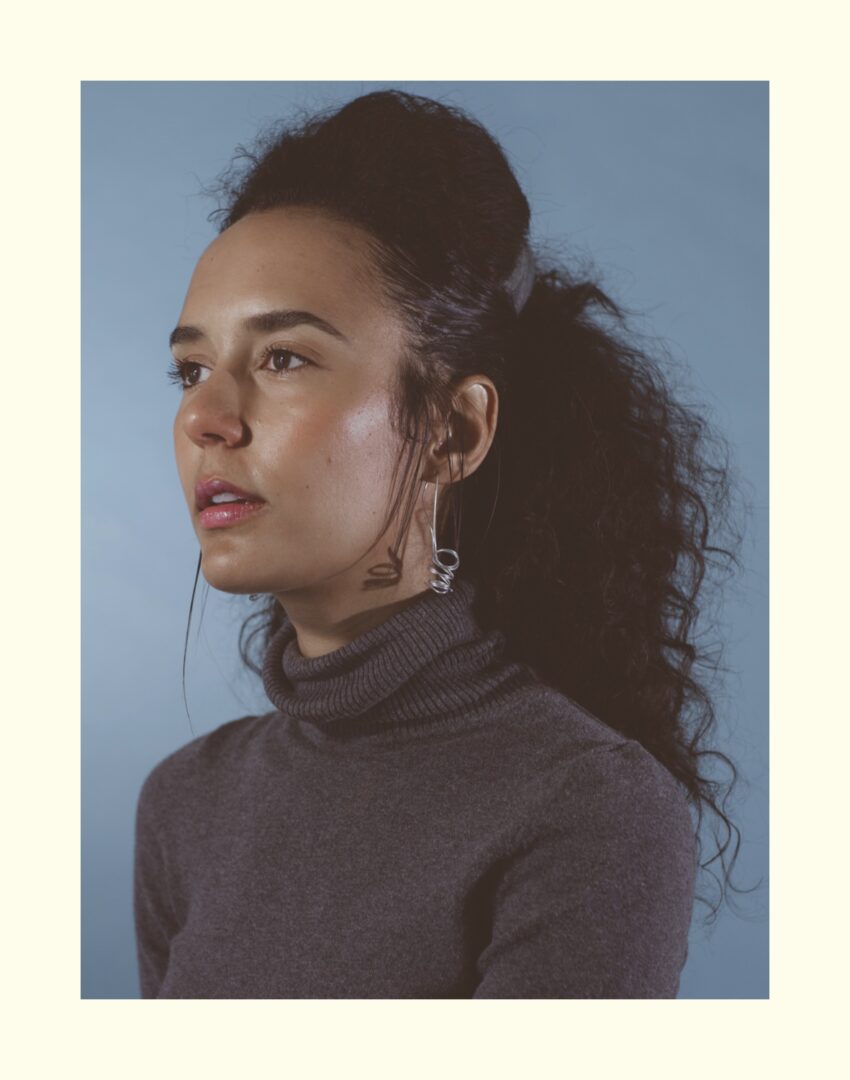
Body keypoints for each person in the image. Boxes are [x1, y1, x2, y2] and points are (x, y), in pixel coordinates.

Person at [133, 89, 746, 999]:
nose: (204, 417)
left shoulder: (588, 809)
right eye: (191, 368)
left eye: (284, 358)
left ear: (454, 431)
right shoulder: (186, 803)